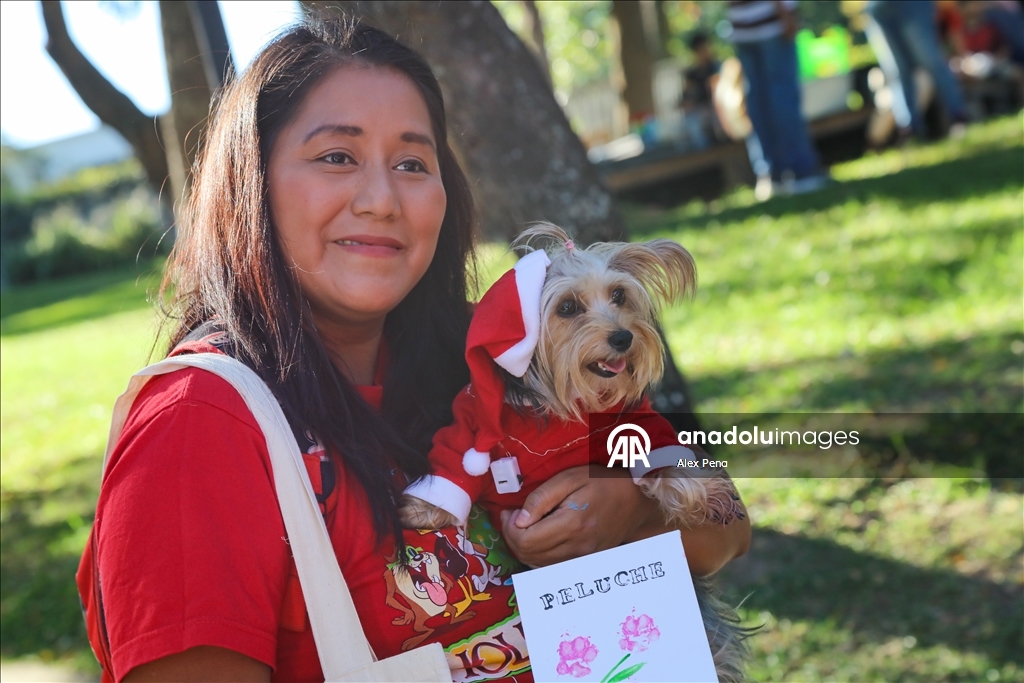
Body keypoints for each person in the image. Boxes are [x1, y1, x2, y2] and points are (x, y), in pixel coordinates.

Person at [76, 16, 751, 683]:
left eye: (412, 162)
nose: (381, 199)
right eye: (337, 156)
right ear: (251, 186)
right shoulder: (197, 423)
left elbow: (727, 528)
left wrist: (630, 509)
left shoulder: (499, 351)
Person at [726, 0, 829, 199]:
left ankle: (771, 173)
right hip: (770, 22)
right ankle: (801, 171)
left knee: (759, 99)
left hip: (740, 26)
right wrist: (785, 12)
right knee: (782, 97)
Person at [865, 0, 971, 139]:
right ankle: (910, 128)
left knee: (930, 59)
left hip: (912, 4)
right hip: (879, 6)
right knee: (897, 69)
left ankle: (958, 116)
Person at [680, 31, 723, 150]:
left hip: (717, 109)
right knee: (693, 122)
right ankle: (704, 151)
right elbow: (686, 98)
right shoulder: (692, 74)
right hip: (701, 111)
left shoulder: (717, 67)